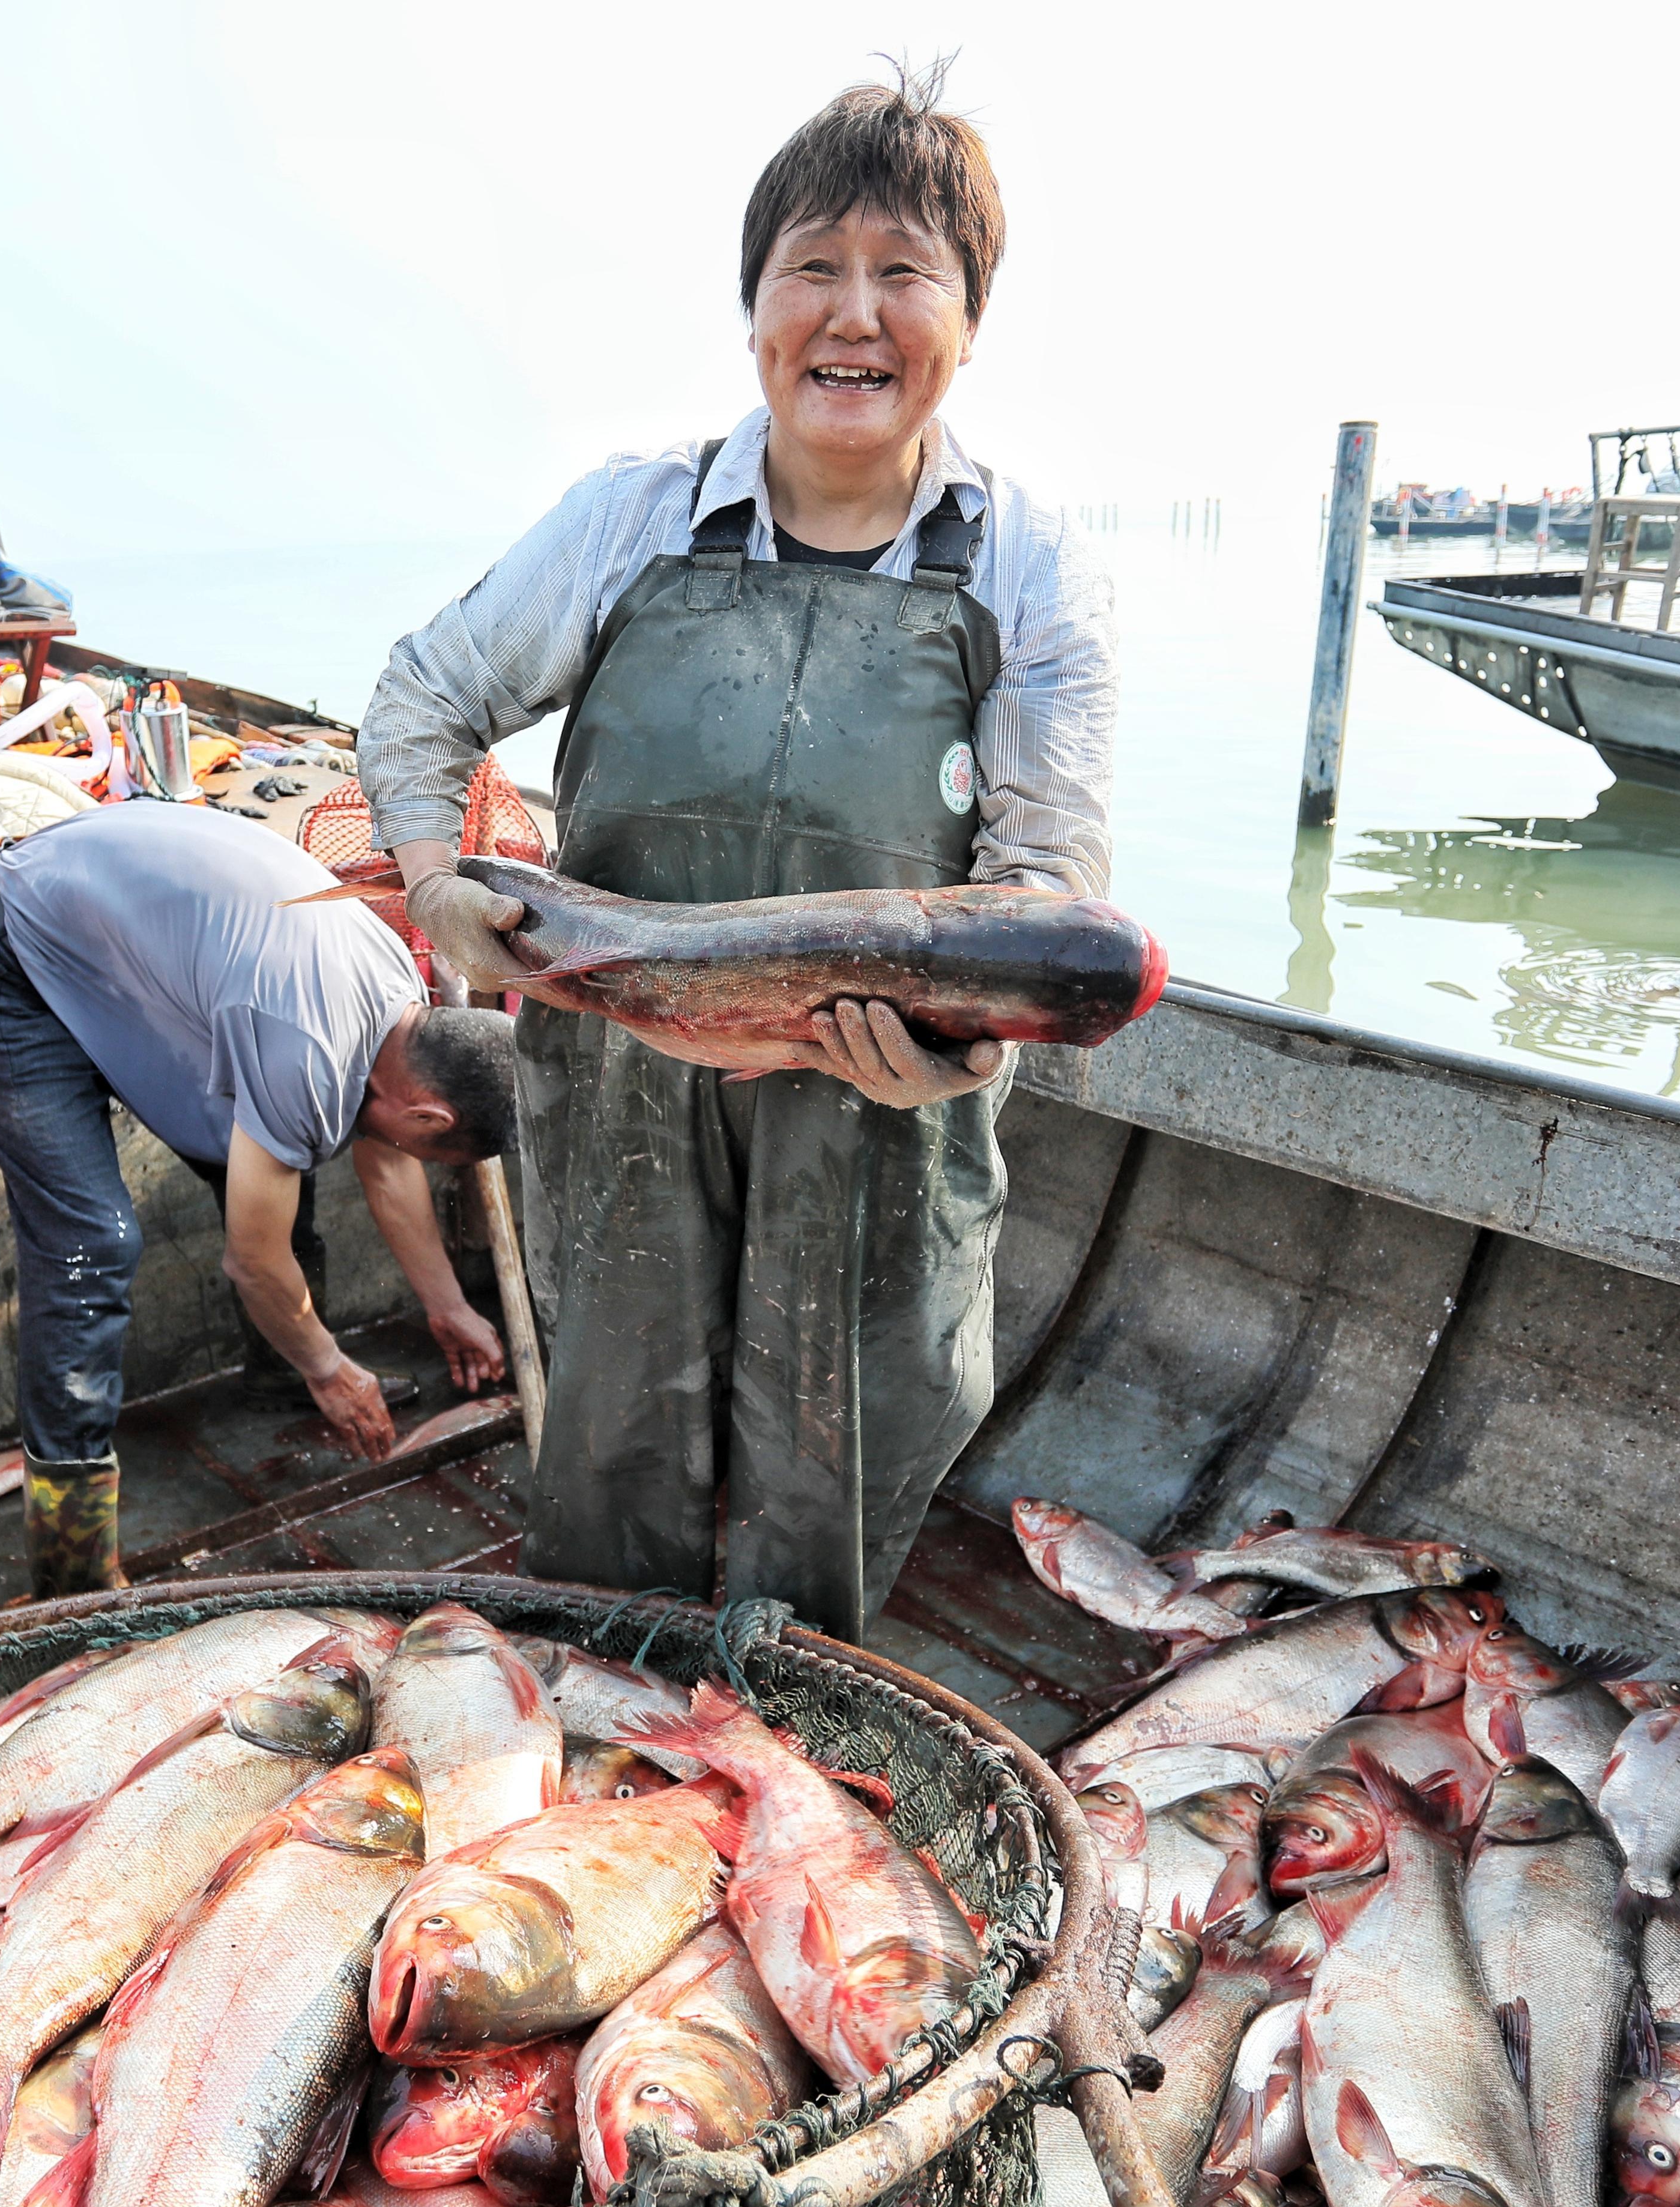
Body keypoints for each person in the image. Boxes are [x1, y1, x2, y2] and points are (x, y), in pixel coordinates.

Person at [355, 65, 1115, 1640]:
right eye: (812, 270)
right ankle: (599, 1725)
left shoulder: (1028, 568)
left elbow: (1046, 896)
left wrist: (956, 1065)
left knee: (835, 1467)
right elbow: (424, 698)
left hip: (874, 1103)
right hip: (618, 1074)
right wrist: (436, 877)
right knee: (611, 1439)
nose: (854, 314)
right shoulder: (628, 523)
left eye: (904, 272)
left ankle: (786, 1729)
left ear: (968, 319)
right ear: (753, 306)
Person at [0, 800, 517, 1598]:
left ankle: (281, 1373)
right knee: (90, 1244)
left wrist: (446, 1306)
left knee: (285, 1151)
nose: (412, 1153)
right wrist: (333, 1365)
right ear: (428, 1110)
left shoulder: (398, 1005)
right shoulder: (312, 1043)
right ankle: (70, 1563)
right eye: (428, 1144)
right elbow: (253, 1259)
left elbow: (387, 1163)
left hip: (105, 954)